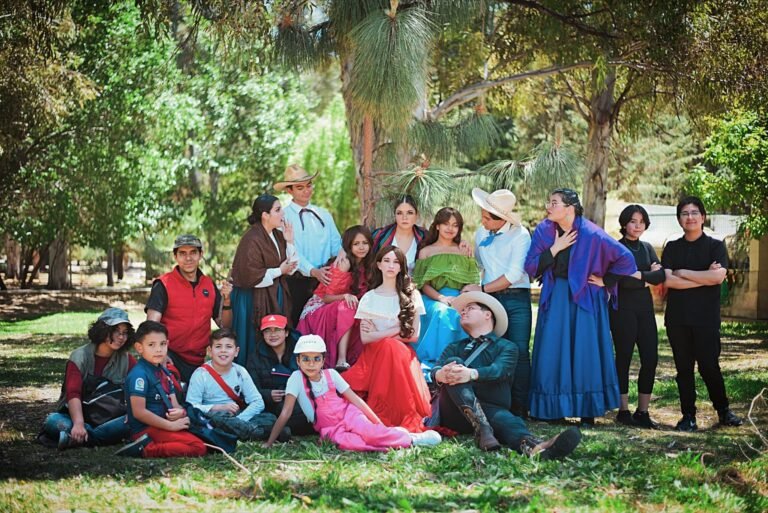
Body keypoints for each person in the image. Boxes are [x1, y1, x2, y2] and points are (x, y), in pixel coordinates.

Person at [524, 188, 636, 424]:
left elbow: (626, 258)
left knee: (586, 352)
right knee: (553, 350)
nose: (549, 207)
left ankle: (587, 412)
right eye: (549, 202)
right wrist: (556, 247)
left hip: (585, 297)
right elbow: (531, 266)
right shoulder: (545, 230)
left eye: (554, 203)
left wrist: (606, 280)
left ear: (570, 208)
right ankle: (552, 410)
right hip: (556, 297)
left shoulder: (591, 233)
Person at [431, 292, 582, 459]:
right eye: (463, 310)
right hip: (453, 413)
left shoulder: (507, 347)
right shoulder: (454, 347)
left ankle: (536, 448)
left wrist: (472, 374)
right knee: (454, 362)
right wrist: (439, 374)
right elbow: (436, 369)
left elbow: (499, 370)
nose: (463, 312)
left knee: (510, 422)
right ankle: (483, 428)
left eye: (470, 308)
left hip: (492, 410)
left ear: (487, 315)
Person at [264, 335, 441, 451]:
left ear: (324, 360)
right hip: (329, 428)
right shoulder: (295, 379)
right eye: (306, 359)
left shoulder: (331, 374)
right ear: (298, 360)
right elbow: (286, 412)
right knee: (353, 443)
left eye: (316, 358)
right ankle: (398, 438)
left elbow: (355, 400)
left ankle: (412, 438)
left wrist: (378, 423)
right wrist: (269, 442)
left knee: (371, 433)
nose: (311, 363)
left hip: (349, 414)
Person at [661, 196, 743, 431]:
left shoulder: (715, 245)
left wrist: (683, 272)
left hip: (706, 318)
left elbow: (718, 277)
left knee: (709, 366)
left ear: (703, 217)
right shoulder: (673, 247)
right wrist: (703, 278)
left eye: (694, 212)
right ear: (679, 219)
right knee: (684, 369)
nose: (690, 217)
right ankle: (688, 416)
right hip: (678, 319)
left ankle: (724, 411)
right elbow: (668, 280)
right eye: (685, 213)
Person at [343, 246, 431, 432]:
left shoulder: (412, 295)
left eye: (396, 262)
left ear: (401, 267)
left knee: (392, 346)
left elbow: (413, 335)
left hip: (401, 356)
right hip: (373, 357)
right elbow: (366, 338)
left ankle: (399, 413)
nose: (391, 265)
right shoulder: (369, 298)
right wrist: (397, 327)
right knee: (389, 345)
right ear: (379, 265)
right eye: (387, 261)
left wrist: (380, 332)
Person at [461, 188, 532, 418]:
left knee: (519, 351)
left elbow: (513, 275)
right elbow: (481, 265)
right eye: (482, 214)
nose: (482, 220)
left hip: (517, 297)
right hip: (491, 299)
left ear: (502, 219)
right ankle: (497, 402)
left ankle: (520, 406)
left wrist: (481, 289)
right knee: (493, 348)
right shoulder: (481, 234)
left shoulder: (521, 235)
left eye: (487, 217)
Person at [603, 205, 666, 428]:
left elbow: (660, 276)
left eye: (641, 221)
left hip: (645, 310)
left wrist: (637, 275)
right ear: (624, 224)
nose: (637, 225)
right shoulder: (617, 248)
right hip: (622, 310)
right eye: (632, 221)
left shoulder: (647, 248)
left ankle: (643, 411)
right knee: (624, 358)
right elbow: (620, 280)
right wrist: (645, 276)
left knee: (650, 358)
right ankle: (623, 410)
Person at [42, 308, 136, 450]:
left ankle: (77, 439)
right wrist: (79, 424)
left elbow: (138, 387)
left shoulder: (127, 359)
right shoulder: (79, 356)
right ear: (102, 330)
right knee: (52, 421)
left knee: (134, 420)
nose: (121, 337)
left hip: (109, 418)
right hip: (75, 417)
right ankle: (94, 436)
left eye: (124, 333)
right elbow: (73, 393)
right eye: (116, 331)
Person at [146, 234, 233, 383]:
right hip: (170, 357)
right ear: (175, 256)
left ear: (201, 255)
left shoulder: (208, 284)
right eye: (182, 253)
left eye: (193, 252)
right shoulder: (163, 284)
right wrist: (160, 354)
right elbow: (151, 326)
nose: (188, 258)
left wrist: (226, 300)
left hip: (200, 360)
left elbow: (224, 325)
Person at [117, 321, 206, 458]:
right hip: (145, 430)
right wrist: (170, 426)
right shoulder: (139, 375)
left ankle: (155, 444)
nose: (158, 349)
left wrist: (180, 413)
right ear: (139, 348)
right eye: (151, 345)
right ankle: (145, 449)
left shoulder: (164, 372)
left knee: (203, 440)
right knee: (197, 447)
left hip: (164, 424)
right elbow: (139, 412)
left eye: (162, 344)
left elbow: (174, 404)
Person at [230, 195, 298, 366]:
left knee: (275, 336)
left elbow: (292, 266)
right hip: (252, 299)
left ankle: (272, 374)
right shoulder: (251, 239)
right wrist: (279, 271)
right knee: (252, 339)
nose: (282, 213)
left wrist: (290, 242)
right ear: (265, 215)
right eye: (277, 210)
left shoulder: (277, 235)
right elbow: (248, 276)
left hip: (274, 294)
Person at [297, 225, 374, 370]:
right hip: (319, 307)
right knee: (348, 307)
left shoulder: (368, 265)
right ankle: (341, 359)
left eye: (365, 243)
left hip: (343, 306)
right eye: (356, 244)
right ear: (348, 246)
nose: (361, 247)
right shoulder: (343, 264)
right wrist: (345, 296)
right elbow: (326, 297)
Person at [186, 328, 284, 441]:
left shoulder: (240, 372)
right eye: (218, 346)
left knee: (270, 418)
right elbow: (191, 406)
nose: (223, 351)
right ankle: (259, 432)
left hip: (236, 416)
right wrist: (218, 407)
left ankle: (233, 432)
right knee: (216, 420)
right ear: (210, 351)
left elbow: (257, 402)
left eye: (228, 347)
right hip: (213, 416)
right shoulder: (200, 374)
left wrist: (239, 420)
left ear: (236, 351)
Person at [276, 164, 343, 326]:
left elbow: (337, 245)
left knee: (325, 323)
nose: (306, 190)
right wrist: (313, 271)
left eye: (309, 185)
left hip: (327, 279)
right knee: (299, 324)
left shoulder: (324, 215)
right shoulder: (283, 217)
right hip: (297, 282)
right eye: (300, 187)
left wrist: (335, 270)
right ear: (289, 191)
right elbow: (291, 251)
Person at [413, 207, 480, 367]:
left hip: (460, 297)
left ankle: (462, 362)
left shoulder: (464, 250)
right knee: (442, 312)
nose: (450, 229)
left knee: (465, 313)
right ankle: (438, 363)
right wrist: (441, 298)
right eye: (446, 224)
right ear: (437, 226)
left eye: (455, 225)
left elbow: (471, 281)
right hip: (432, 297)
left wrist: (461, 298)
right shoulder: (426, 252)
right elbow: (423, 285)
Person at [247, 314, 314, 435]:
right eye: (267, 331)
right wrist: (268, 394)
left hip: (302, 398)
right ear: (262, 334)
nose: (272, 334)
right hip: (274, 405)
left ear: (287, 332)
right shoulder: (255, 357)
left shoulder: (301, 351)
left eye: (277, 329)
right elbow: (250, 388)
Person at [372, 195, 427, 275]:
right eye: (399, 213)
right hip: (384, 285)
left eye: (410, 213)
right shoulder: (380, 236)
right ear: (395, 215)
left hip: (416, 286)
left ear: (416, 215)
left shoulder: (424, 237)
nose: (404, 217)